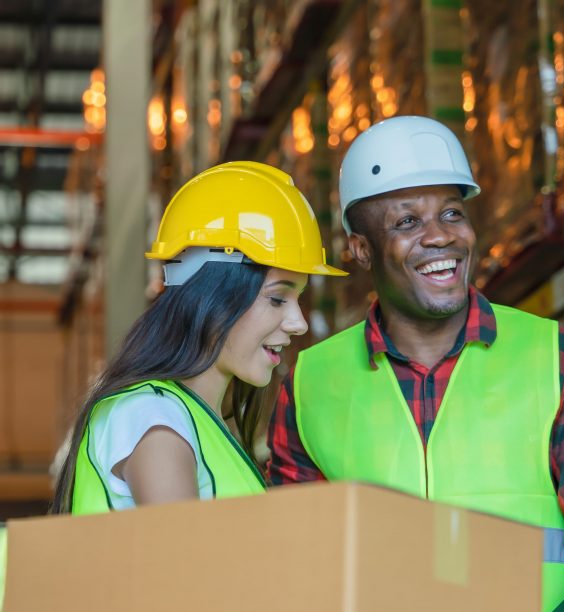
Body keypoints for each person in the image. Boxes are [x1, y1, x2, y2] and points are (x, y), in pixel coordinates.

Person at [266, 115, 564, 612]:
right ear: (361, 250)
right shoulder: (311, 384)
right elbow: (296, 557)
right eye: (407, 222)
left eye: (451, 213)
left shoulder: (556, 357)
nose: (440, 236)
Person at [49, 161, 346, 514]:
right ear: (213, 293)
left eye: (298, 299)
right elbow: (183, 550)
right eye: (278, 299)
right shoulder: (153, 419)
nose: (299, 324)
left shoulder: (193, 422)